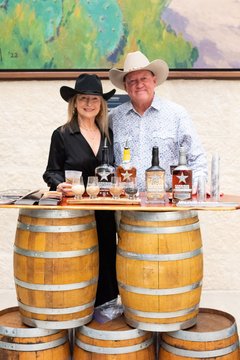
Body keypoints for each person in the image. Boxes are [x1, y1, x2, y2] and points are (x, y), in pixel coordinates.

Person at [43, 73, 119, 306]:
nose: (89, 104)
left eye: (94, 99)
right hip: (75, 211)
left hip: (103, 207)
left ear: (101, 104)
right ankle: (77, 306)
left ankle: (105, 309)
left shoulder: (107, 133)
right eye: (83, 98)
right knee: (79, 261)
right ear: (74, 103)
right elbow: (51, 171)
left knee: (107, 256)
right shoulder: (63, 134)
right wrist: (59, 184)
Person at [108, 51, 208, 193]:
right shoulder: (113, 118)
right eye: (132, 81)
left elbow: (196, 158)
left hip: (169, 206)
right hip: (128, 206)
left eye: (144, 78)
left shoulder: (177, 114)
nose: (139, 84)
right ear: (125, 86)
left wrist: (199, 187)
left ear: (154, 81)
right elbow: (107, 161)